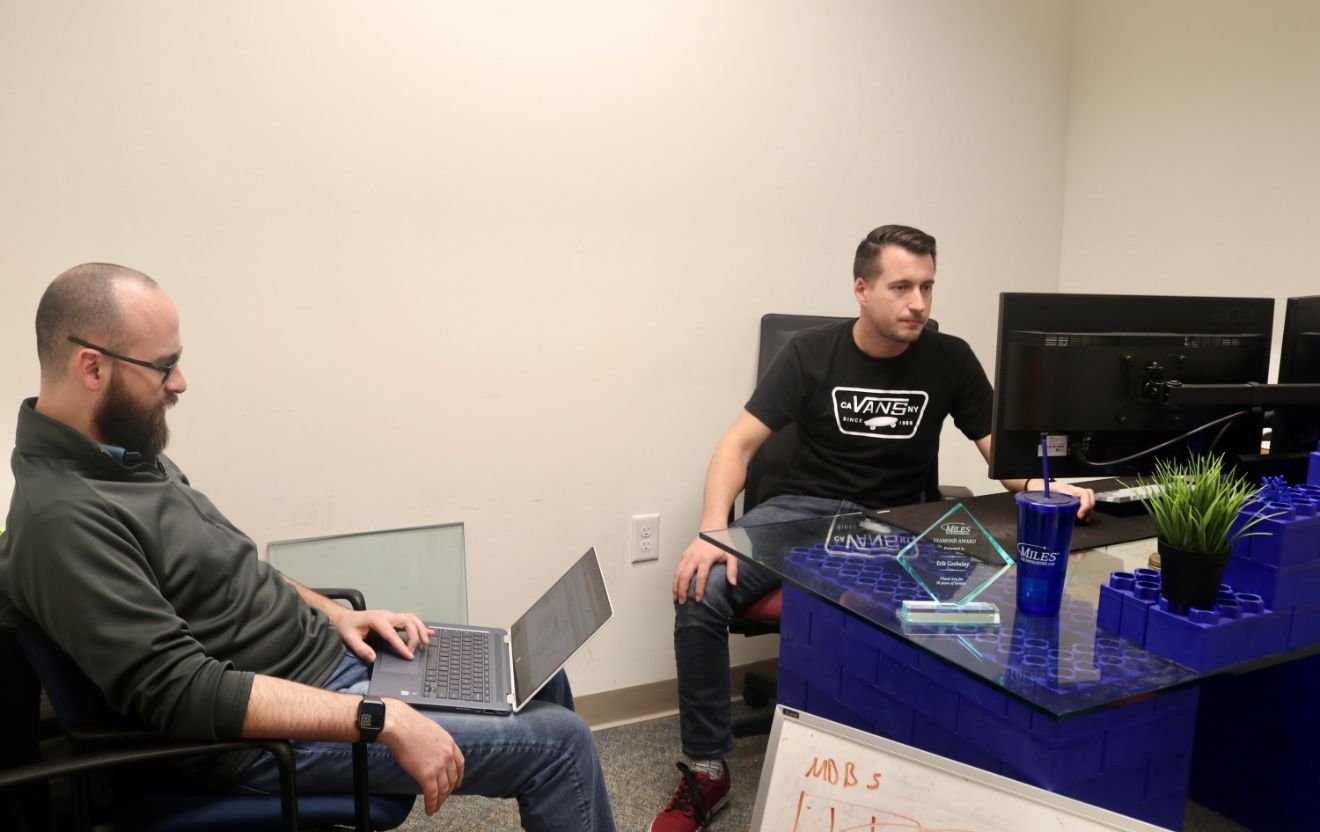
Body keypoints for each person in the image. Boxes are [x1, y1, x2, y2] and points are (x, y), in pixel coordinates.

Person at [0, 263, 616, 831]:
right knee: (561, 747)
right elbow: (185, 693)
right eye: (164, 366)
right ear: (92, 368)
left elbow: (227, 569)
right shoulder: (63, 522)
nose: (180, 383)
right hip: (258, 741)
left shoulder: (124, 454)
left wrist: (337, 612)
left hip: (325, 666)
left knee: (537, 679)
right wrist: (379, 720)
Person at [650, 225, 1095, 832]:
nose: (918, 303)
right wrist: (711, 528)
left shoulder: (950, 358)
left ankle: (947, 765)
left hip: (898, 521)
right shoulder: (809, 352)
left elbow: (1002, 455)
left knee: (985, 598)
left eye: (927, 287)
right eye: (902, 286)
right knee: (701, 593)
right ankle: (707, 771)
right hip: (800, 512)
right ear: (862, 289)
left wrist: (1048, 487)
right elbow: (740, 442)